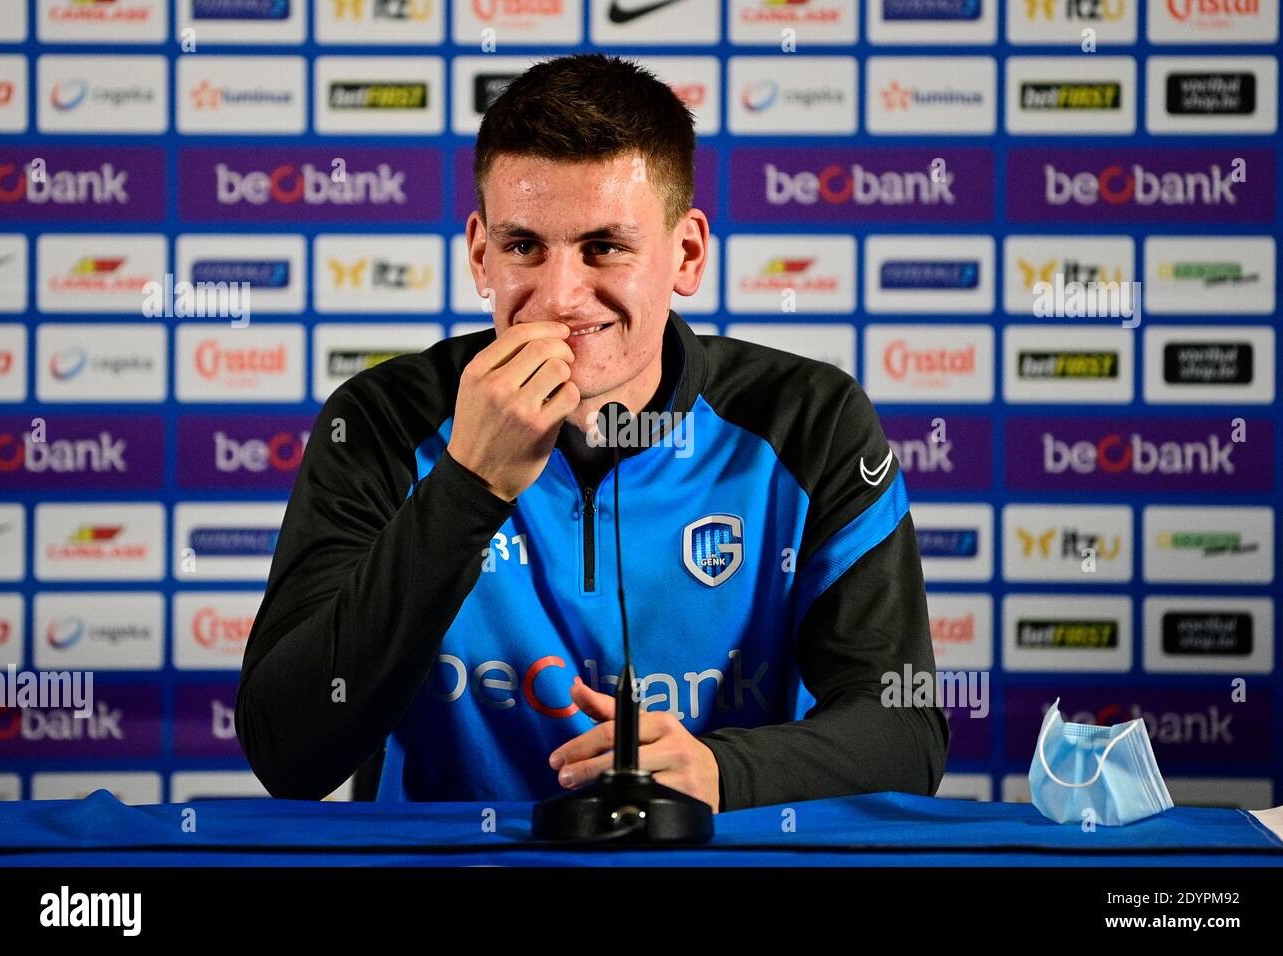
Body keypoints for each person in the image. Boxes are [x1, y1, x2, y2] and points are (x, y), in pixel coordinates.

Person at [236, 53, 949, 812]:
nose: (559, 297)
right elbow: (290, 753)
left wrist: (719, 772)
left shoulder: (812, 422)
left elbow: (905, 732)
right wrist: (467, 486)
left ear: (687, 254)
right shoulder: (378, 422)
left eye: (604, 247)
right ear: (481, 255)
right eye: (523, 248)